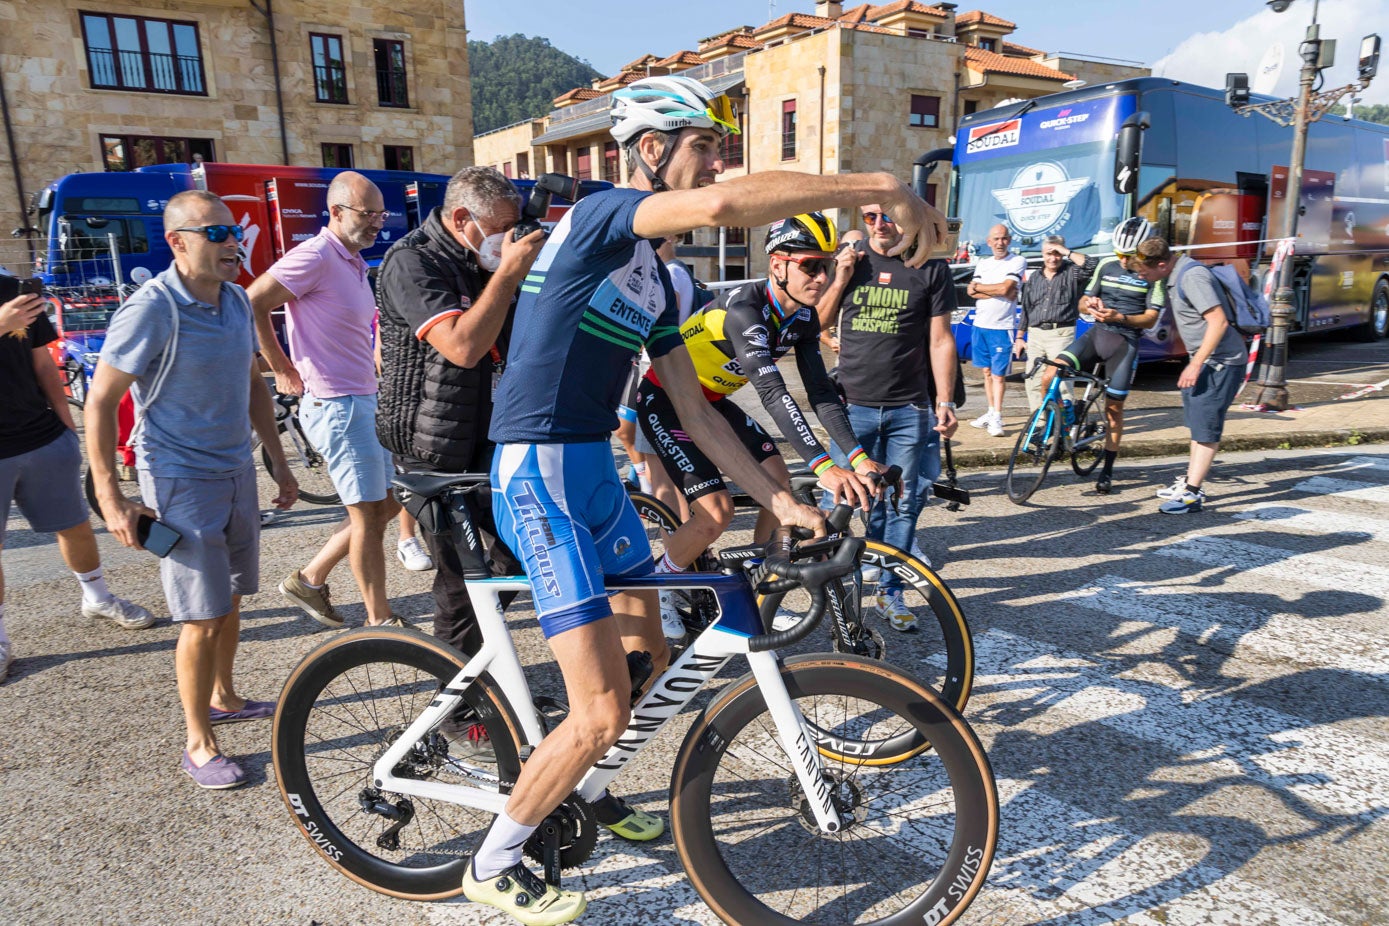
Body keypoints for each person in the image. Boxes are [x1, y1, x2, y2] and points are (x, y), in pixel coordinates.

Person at [469, 73, 944, 925]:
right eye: (702, 147)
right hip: (535, 474)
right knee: (600, 708)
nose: (715, 165)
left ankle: (592, 786)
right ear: (649, 149)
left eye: (721, 152)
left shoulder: (652, 281)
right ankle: (492, 859)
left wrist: (782, 499)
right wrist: (877, 185)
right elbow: (726, 210)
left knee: (648, 663)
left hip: (591, 476)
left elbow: (694, 411)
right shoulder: (601, 216)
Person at [87, 190, 298, 788]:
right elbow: (101, 401)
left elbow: (253, 384)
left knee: (230, 599)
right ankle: (199, 742)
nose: (233, 242)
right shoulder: (152, 308)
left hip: (234, 470)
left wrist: (278, 463)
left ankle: (226, 697)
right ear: (178, 242)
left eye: (234, 231)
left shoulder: (235, 301)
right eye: (217, 232)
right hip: (179, 480)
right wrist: (111, 497)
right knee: (200, 615)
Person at [637, 213, 887, 610]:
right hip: (663, 399)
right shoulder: (746, 310)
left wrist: (857, 457)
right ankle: (658, 592)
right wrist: (825, 467)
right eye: (810, 265)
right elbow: (773, 392)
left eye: (827, 265)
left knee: (778, 478)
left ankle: (754, 579)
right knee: (715, 515)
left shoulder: (802, 316)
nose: (822, 278)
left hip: (712, 402)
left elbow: (821, 393)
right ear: (777, 265)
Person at [375, 165, 543, 657]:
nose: (508, 241)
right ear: (462, 218)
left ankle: (476, 661)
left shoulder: (480, 261)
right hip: (433, 447)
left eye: (515, 230)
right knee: (457, 578)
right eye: (499, 231)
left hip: (489, 435)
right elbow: (464, 348)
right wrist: (509, 272)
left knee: (531, 543)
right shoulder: (411, 262)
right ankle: (456, 705)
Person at [248, 171, 401, 628]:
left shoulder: (353, 260)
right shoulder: (315, 254)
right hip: (338, 403)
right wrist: (279, 366)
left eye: (380, 213)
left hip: (361, 397)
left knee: (391, 504)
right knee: (368, 516)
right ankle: (381, 622)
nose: (377, 222)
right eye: (366, 213)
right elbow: (253, 299)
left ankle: (310, 578)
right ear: (335, 212)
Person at [0, 289, 155, 685]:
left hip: (42, 437)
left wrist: (68, 429)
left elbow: (43, 363)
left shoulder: (12, 287)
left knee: (73, 525)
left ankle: (98, 598)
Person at [817, 204, 959, 631]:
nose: (879, 225)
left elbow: (940, 340)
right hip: (851, 408)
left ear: (909, 220)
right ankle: (838, 591)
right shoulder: (852, 260)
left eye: (888, 217)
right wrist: (840, 276)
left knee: (902, 503)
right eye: (871, 216)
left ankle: (889, 591)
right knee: (837, 501)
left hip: (908, 408)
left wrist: (946, 401)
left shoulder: (930, 267)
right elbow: (814, 323)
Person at [1040, 217, 1164, 494]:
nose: (1122, 260)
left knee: (1114, 410)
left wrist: (1121, 317)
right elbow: (1083, 300)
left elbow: (1151, 319)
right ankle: (1064, 420)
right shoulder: (1107, 266)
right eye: (1119, 253)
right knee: (1049, 376)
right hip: (1096, 336)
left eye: (1128, 255)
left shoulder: (1151, 276)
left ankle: (1107, 469)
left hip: (1124, 343)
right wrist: (1090, 304)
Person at [1130, 238, 1249, 514]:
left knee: (1206, 427)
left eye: (1144, 272)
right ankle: (1189, 483)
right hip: (1207, 361)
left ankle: (1192, 495)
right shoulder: (1174, 275)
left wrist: (1195, 364)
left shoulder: (1192, 277)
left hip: (1221, 363)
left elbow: (1218, 321)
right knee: (1197, 424)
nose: (1140, 276)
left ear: (1161, 264)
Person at [1014, 235, 1099, 412]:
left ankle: (1064, 426)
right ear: (1042, 254)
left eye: (1057, 253)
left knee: (1061, 381)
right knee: (1033, 380)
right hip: (1036, 334)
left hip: (1060, 334)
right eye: (1049, 253)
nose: (1053, 258)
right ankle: (1038, 424)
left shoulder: (1072, 272)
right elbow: (1027, 309)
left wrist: (1066, 252)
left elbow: (1092, 264)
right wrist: (1020, 337)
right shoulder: (1034, 278)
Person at [966, 224, 1025, 437]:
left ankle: (998, 417)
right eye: (996, 239)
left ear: (1009, 240)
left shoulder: (1017, 261)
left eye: (1004, 239)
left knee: (999, 376)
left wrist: (988, 289)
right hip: (981, 325)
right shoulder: (983, 263)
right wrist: (997, 290)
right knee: (986, 372)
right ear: (989, 242)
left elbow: (1006, 288)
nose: (1000, 243)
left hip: (1002, 327)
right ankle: (990, 412)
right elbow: (971, 291)